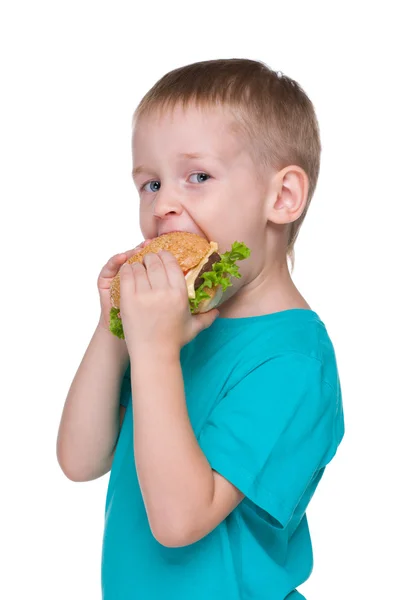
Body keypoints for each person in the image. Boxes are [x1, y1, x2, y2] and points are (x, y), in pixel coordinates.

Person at [56, 58, 345, 600]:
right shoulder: (173, 327)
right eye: (150, 183)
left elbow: (180, 520)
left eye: (198, 177)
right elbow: (81, 458)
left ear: (280, 198)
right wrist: (114, 327)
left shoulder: (292, 361)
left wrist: (155, 350)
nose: (163, 204)